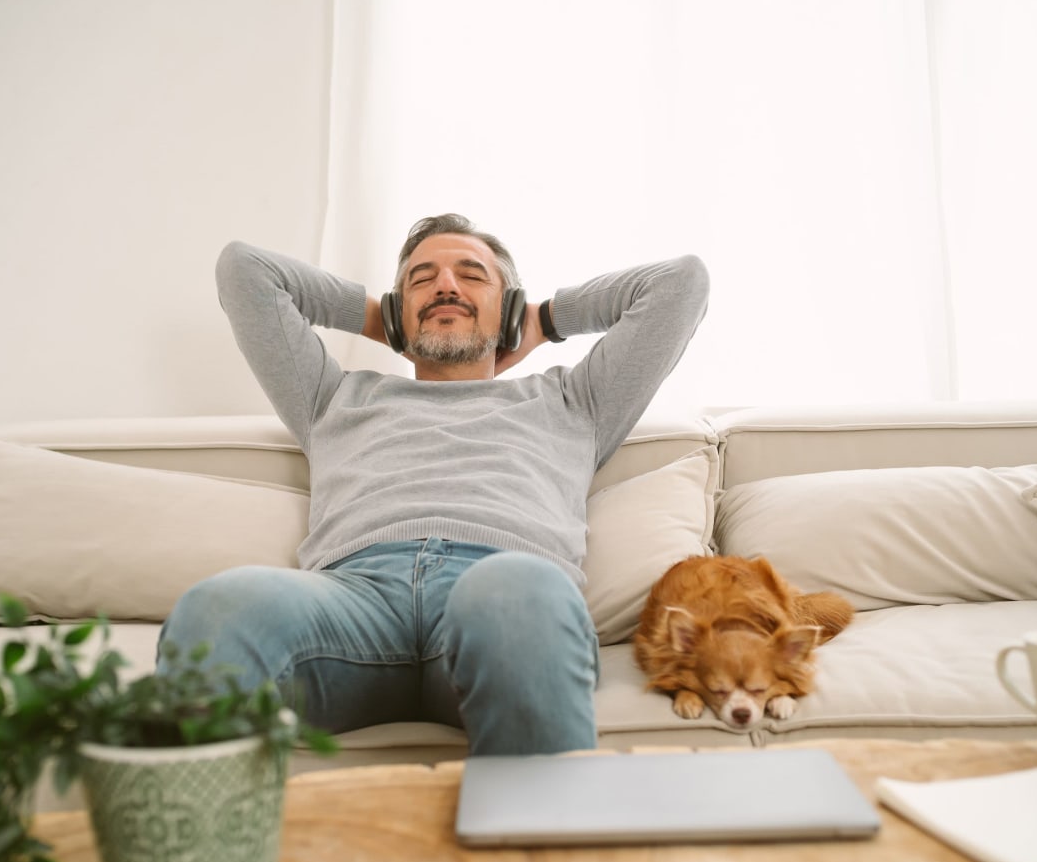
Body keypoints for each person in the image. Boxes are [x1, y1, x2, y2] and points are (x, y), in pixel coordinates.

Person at [158, 214, 708, 755]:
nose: (445, 285)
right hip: (352, 603)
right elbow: (245, 270)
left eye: (472, 276)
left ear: (509, 306)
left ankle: (539, 839)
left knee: (513, 591)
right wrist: (380, 318)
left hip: (502, 595)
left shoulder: (575, 401)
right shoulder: (330, 398)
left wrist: (543, 319)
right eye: (422, 280)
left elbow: (680, 284)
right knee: (217, 609)